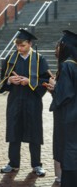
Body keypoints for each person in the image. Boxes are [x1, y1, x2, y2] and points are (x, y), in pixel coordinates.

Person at [0, 29, 50, 177]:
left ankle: (36, 165)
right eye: (17, 46)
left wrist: (30, 82)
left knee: (34, 132)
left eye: (22, 46)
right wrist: (9, 80)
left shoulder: (40, 59)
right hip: (15, 101)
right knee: (14, 131)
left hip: (32, 102)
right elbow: (3, 79)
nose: (19, 49)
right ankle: (13, 163)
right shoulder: (11, 59)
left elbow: (47, 81)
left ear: (30, 43)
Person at [49, 30, 77, 186]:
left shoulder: (67, 66)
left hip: (68, 118)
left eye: (60, 44)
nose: (58, 47)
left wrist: (55, 87)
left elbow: (64, 95)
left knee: (69, 153)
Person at [44, 40, 61, 183]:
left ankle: (62, 176)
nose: (56, 52)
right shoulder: (61, 67)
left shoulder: (69, 67)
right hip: (61, 114)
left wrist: (56, 87)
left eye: (58, 49)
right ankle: (59, 175)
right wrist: (53, 90)